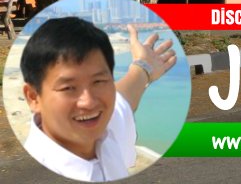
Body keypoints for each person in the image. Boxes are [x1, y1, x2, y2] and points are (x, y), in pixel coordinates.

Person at [20, 16, 178, 182]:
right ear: (33, 97)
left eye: (98, 81)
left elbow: (122, 101)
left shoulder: (103, 131)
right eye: (68, 88)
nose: (88, 102)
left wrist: (143, 67)